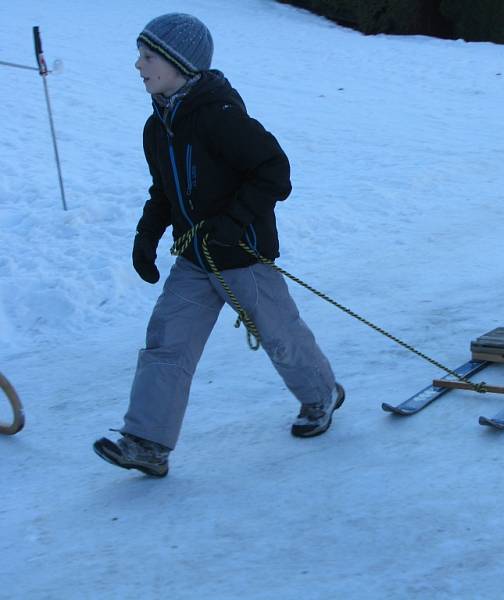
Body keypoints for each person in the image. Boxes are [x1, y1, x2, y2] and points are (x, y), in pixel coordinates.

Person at [94, 13, 344, 477]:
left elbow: (274, 170)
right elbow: (164, 192)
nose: (138, 65)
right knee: (166, 343)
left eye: (148, 57)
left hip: (241, 255)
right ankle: (147, 443)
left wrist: (234, 223)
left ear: (179, 64)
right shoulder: (158, 127)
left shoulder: (220, 117)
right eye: (140, 55)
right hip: (194, 259)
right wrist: (145, 237)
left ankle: (320, 395)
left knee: (280, 336)